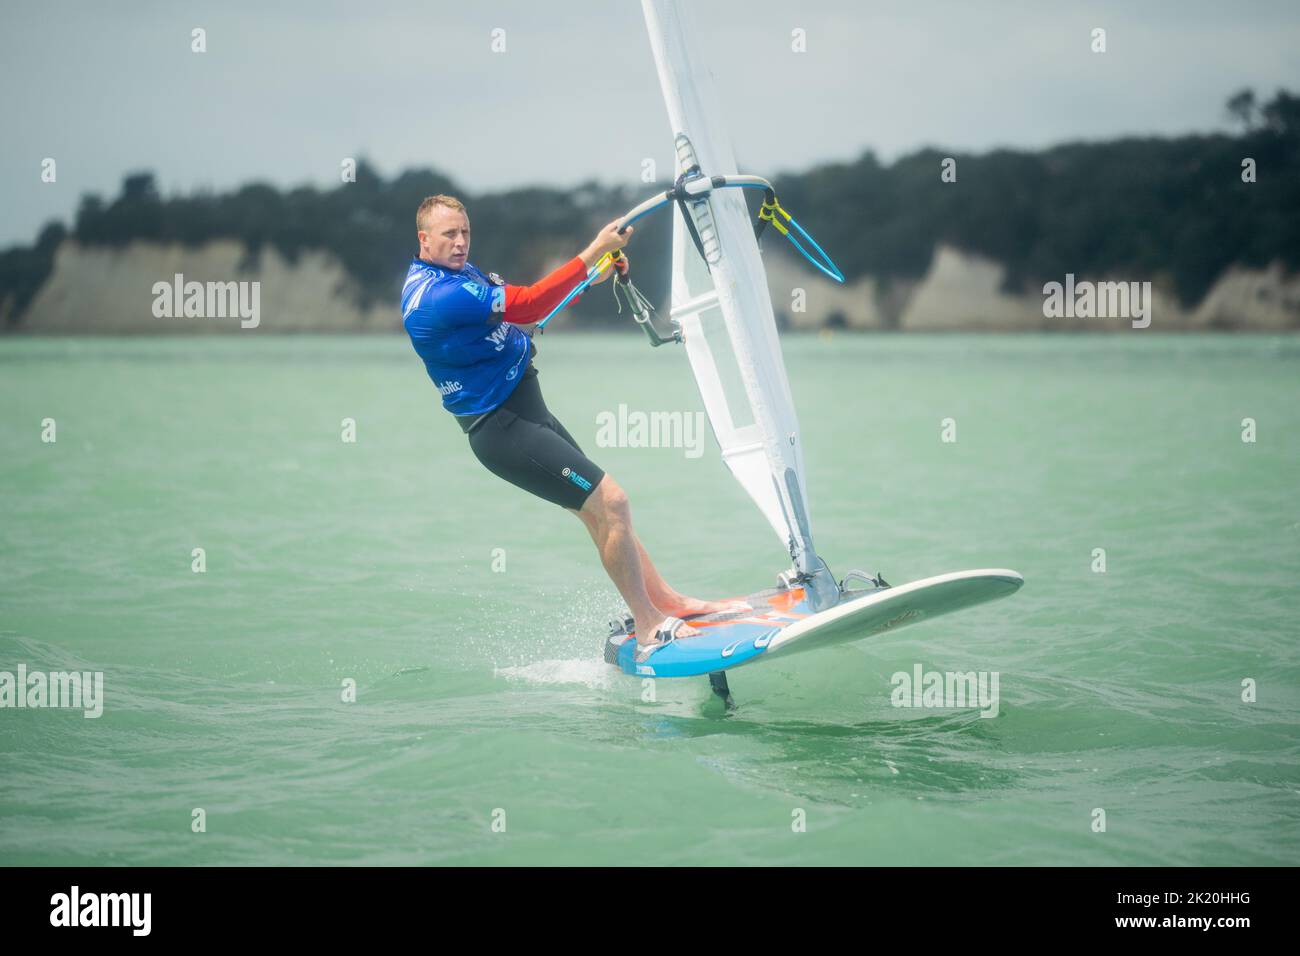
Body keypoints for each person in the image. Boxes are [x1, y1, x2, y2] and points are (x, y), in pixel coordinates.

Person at [402, 195, 743, 658]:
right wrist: (590, 252)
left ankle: (667, 602)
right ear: (424, 239)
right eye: (449, 235)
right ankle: (648, 625)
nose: (461, 242)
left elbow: (532, 315)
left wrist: (590, 276)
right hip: (501, 427)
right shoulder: (440, 295)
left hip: (526, 407)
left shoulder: (458, 275)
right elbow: (526, 304)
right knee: (613, 502)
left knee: (596, 510)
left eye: (465, 232)